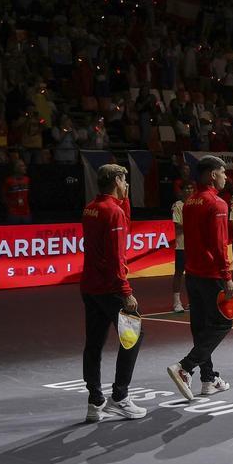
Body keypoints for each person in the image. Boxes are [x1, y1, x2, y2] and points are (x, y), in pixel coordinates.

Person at [80, 164, 145, 422]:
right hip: (110, 288)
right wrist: (125, 291)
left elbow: (124, 228)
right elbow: (117, 256)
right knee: (134, 335)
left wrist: (125, 200)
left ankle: (95, 401)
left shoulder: (91, 207)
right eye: (124, 179)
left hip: (90, 286)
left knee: (94, 343)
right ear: (117, 180)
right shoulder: (112, 211)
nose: (126, 183)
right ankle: (119, 397)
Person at [167, 156, 233, 401]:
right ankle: (185, 367)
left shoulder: (190, 202)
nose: (225, 177)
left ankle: (208, 378)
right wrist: (227, 276)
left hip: (193, 273)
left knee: (201, 328)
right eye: (223, 172)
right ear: (212, 175)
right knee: (222, 325)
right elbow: (218, 244)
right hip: (211, 274)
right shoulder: (217, 203)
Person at [171, 181, 195, 313]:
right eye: (186, 188)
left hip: (195, 246)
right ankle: (176, 302)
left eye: (191, 188)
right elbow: (178, 225)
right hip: (182, 246)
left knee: (193, 275)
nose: (189, 190)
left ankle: (192, 301)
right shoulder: (178, 205)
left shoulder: (196, 205)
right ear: (182, 191)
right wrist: (194, 225)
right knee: (179, 273)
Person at [2, 159, 32, 224]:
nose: (25, 167)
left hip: (26, 213)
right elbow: (4, 196)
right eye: (22, 166)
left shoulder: (27, 179)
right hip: (13, 214)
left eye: (24, 166)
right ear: (16, 168)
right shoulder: (8, 181)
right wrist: (11, 205)